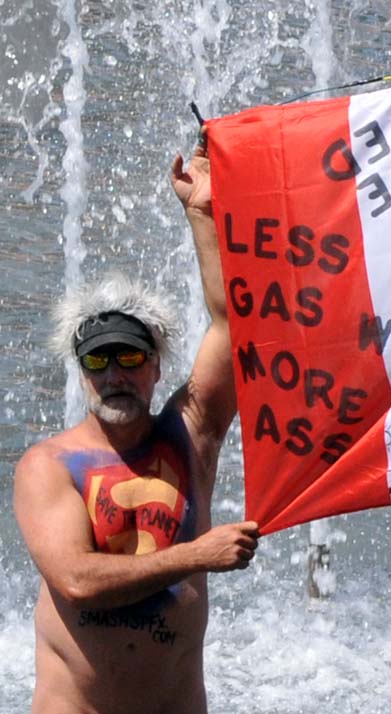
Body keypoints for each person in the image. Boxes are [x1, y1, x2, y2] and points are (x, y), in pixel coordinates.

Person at [13, 139, 259, 713]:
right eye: (98, 362)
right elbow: (75, 578)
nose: (114, 374)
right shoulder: (48, 467)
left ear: (154, 366)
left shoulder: (189, 435)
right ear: (81, 374)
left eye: (129, 358)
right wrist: (197, 554)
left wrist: (202, 213)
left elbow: (231, 327)